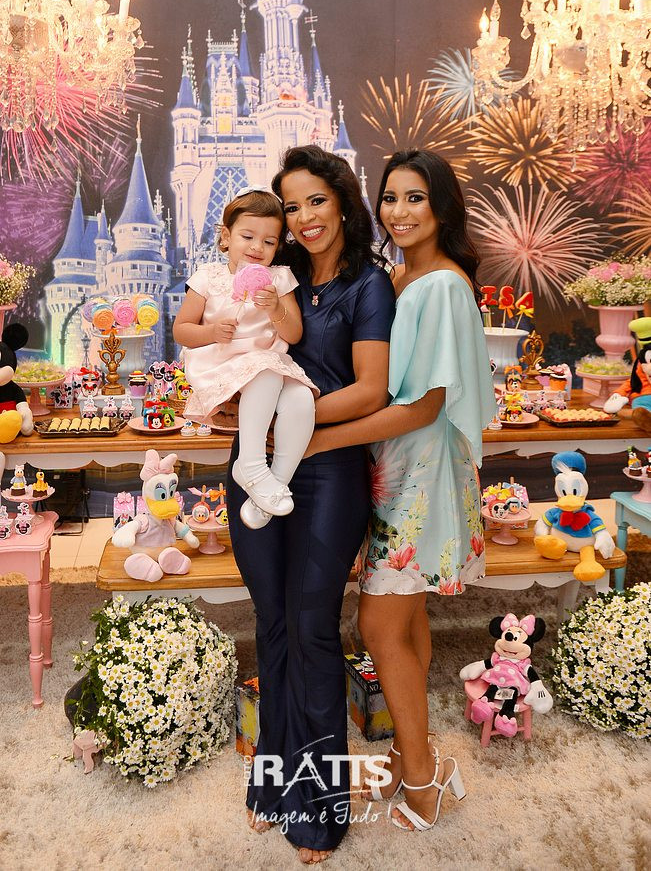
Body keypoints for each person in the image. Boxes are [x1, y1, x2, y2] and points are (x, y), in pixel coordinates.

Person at [306, 149, 496, 833]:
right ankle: (410, 755)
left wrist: (319, 438)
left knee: (378, 626)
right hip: (397, 468)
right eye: (390, 197)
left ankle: (419, 780)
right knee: (407, 621)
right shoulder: (400, 275)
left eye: (415, 198)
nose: (399, 211)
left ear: (441, 206)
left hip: (420, 473)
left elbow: (423, 406)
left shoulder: (438, 285)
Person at [226, 146, 395, 863]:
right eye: (291, 206)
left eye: (315, 201)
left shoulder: (368, 284)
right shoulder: (275, 273)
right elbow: (225, 346)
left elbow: (372, 390)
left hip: (326, 474)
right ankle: (273, 782)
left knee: (312, 627)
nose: (302, 217)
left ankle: (319, 804)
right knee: (271, 623)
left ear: (343, 201)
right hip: (254, 466)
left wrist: (291, 425)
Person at [173, 189, 318, 527]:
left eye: (269, 242)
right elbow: (182, 330)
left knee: (302, 400)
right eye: (247, 237)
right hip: (222, 362)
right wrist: (211, 332)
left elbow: (294, 334)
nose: (257, 248)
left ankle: (272, 489)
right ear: (226, 237)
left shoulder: (278, 279)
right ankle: (251, 463)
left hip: (270, 364)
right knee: (264, 369)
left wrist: (276, 308)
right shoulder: (208, 277)